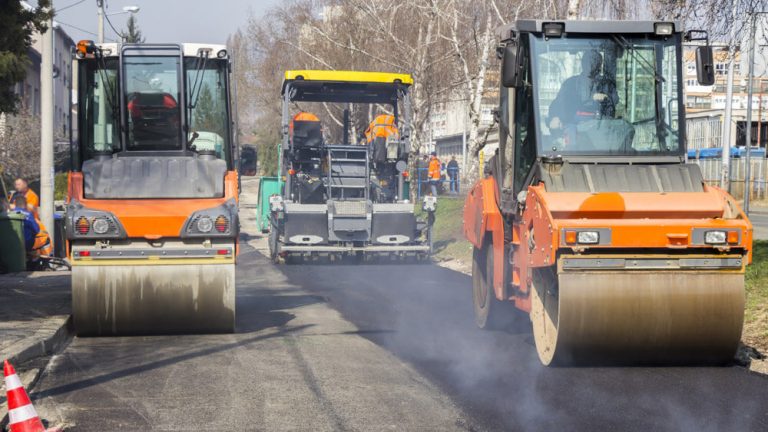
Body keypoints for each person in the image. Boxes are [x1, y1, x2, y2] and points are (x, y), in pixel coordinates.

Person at [548, 50, 618, 135]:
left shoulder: (607, 85)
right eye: (589, 61)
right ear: (583, 63)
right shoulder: (570, 84)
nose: (592, 65)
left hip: (600, 131)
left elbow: (614, 104)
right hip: (575, 131)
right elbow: (559, 104)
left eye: (595, 61)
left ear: (600, 65)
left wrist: (606, 99)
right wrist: (555, 117)